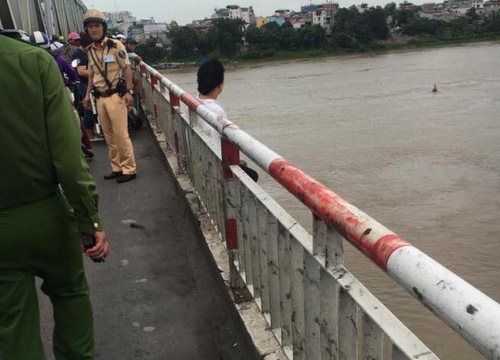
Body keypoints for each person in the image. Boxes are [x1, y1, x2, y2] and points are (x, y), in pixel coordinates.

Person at [0, 34, 109, 359]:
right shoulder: (33, 61)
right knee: (70, 294)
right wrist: (89, 221)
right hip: (46, 214)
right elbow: (67, 159)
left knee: (12, 327)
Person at [82, 9, 137, 183]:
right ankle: (117, 167)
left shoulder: (115, 46)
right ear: (87, 29)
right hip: (100, 98)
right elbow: (92, 75)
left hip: (115, 96)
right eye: (90, 26)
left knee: (121, 134)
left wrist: (128, 91)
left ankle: (129, 169)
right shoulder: (90, 50)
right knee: (109, 136)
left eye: (97, 25)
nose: (94, 29)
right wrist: (86, 95)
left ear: (103, 27)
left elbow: (127, 68)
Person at [197, 59, 258, 182]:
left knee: (244, 166)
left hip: (198, 157)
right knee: (253, 176)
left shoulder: (194, 101)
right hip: (212, 167)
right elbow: (215, 143)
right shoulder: (216, 111)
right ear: (220, 85)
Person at [73, 32, 98, 140]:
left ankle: (96, 129)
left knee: (96, 107)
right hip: (83, 84)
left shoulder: (92, 51)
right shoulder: (77, 55)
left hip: (93, 82)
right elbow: (81, 72)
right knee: (89, 108)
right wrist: (98, 72)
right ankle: (88, 132)